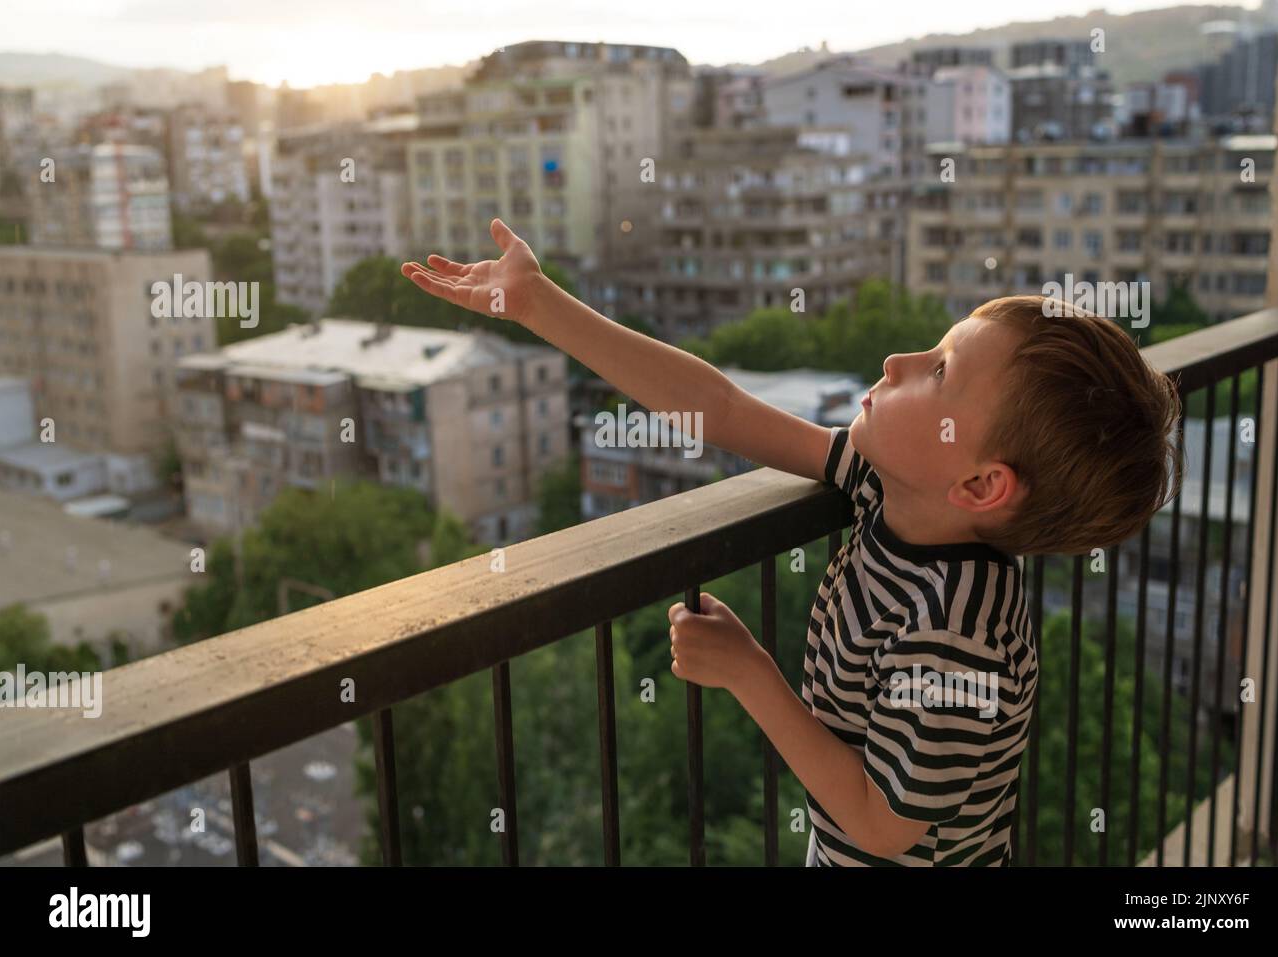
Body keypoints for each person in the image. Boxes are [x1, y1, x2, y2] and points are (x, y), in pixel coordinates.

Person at [401, 219, 1183, 866]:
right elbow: (718, 407)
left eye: (939, 372)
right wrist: (540, 305)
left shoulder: (957, 633)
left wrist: (749, 673)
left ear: (981, 486)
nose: (895, 361)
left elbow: (882, 824)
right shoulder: (887, 486)